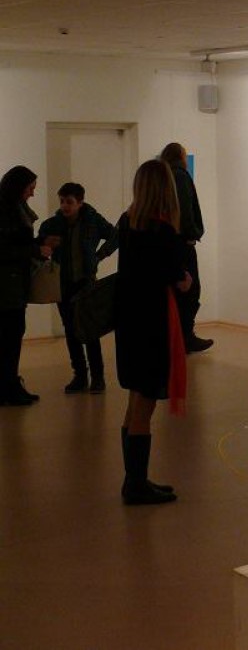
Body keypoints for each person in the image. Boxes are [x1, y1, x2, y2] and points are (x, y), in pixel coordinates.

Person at [115, 160, 192, 506]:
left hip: (130, 321)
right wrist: (185, 280)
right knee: (144, 403)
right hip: (153, 323)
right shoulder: (162, 231)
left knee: (135, 399)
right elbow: (177, 277)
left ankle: (134, 479)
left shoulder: (128, 222)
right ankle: (135, 484)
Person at [36, 182, 117, 393]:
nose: (65, 206)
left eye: (69, 202)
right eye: (62, 201)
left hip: (85, 282)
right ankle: (80, 376)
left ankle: (98, 378)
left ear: (80, 202)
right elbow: (39, 245)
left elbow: (115, 235)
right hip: (62, 284)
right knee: (70, 330)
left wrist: (99, 255)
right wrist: (45, 244)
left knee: (90, 329)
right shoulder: (51, 225)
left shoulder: (93, 220)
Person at [0, 165, 55, 406]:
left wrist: (39, 244)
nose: (33, 193)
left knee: (13, 335)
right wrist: (35, 250)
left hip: (15, 284)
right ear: (18, 187)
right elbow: (5, 249)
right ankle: (8, 388)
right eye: (30, 188)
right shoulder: (6, 211)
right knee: (9, 336)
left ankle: (11, 385)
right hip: (6, 286)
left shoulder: (16, 208)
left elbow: (17, 243)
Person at [158, 142, 211, 353]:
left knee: (177, 293)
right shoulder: (180, 175)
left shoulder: (163, 177)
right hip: (182, 244)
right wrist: (192, 233)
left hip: (169, 243)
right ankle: (186, 338)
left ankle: (177, 339)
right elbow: (185, 211)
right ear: (180, 156)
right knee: (189, 291)